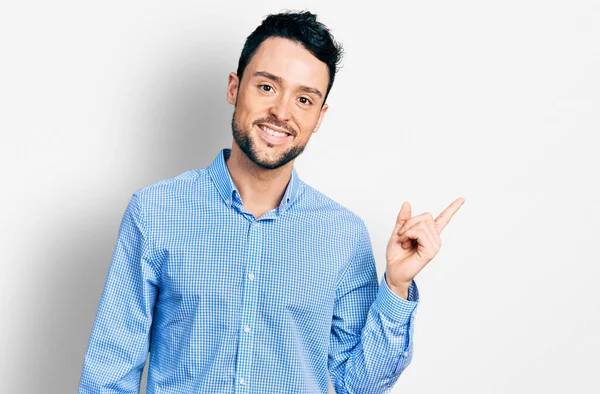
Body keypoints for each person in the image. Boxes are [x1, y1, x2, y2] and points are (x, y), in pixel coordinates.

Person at [77, 10, 464, 394]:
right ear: (234, 87)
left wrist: (397, 286)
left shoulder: (344, 235)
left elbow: (357, 387)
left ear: (320, 116)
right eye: (266, 87)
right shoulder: (155, 212)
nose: (282, 112)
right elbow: (109, 372)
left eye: (304, 99)